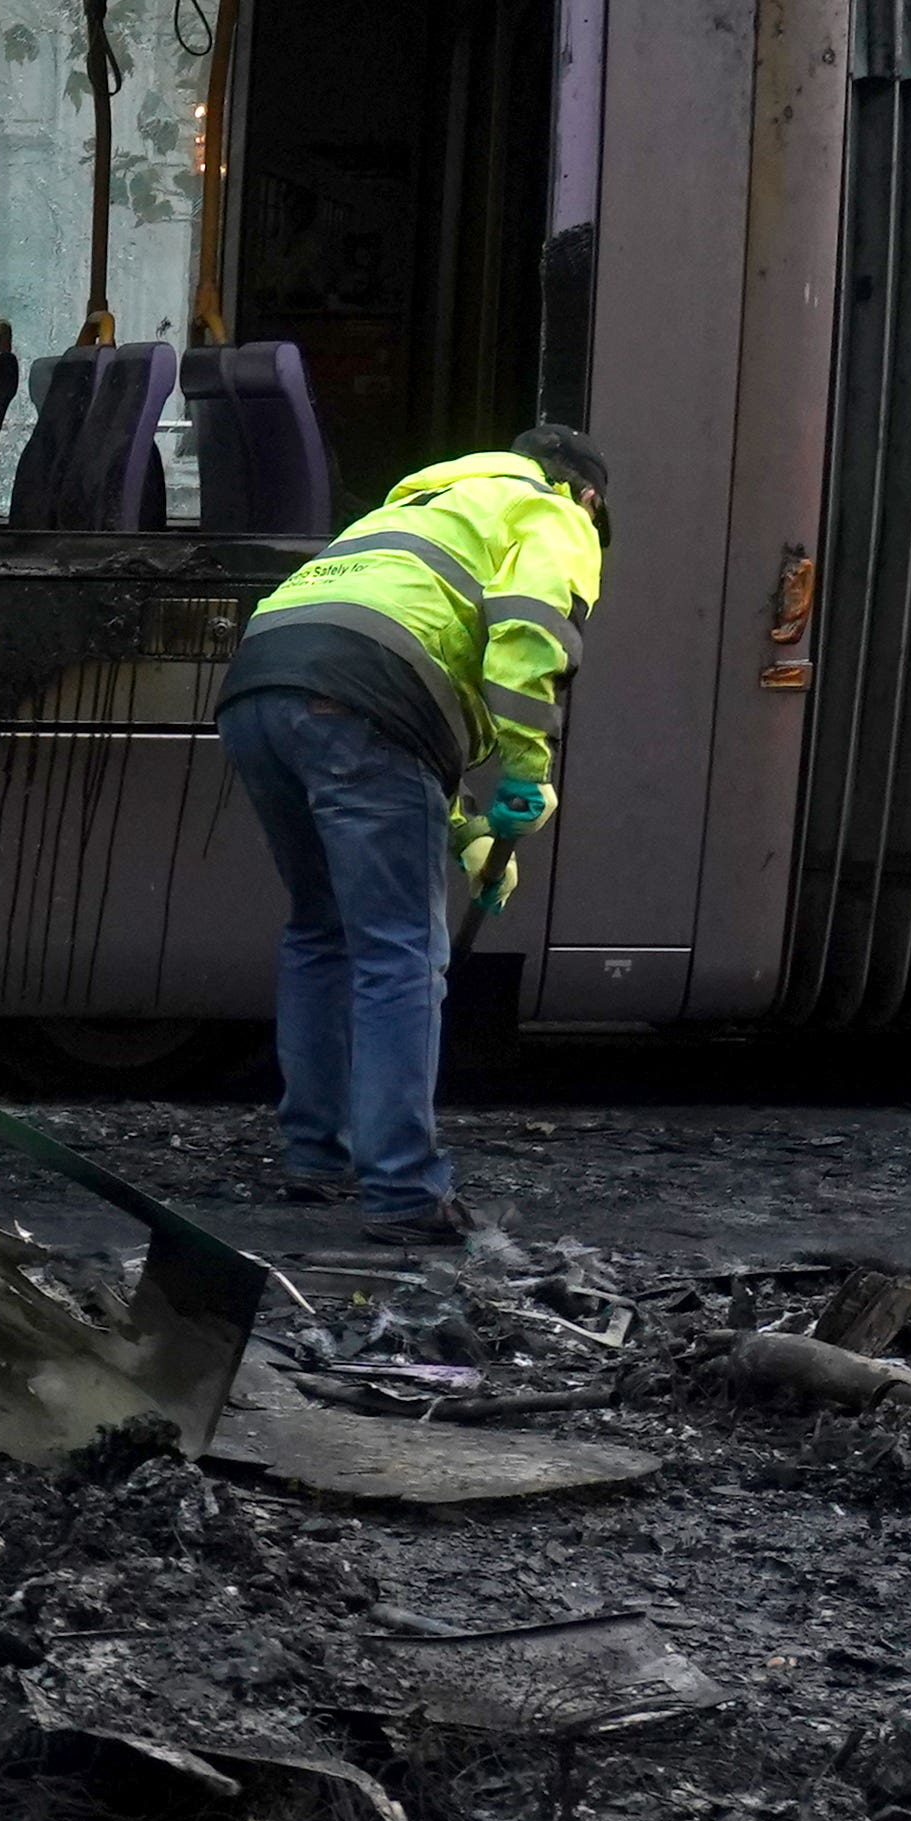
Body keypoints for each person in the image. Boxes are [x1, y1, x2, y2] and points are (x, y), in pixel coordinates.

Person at [210, 427, 609, 1244]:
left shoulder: (417, 507)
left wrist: (463, 829)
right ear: (590, 497)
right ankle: (403, 1192)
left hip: (259, 687)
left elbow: (403, 673)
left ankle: (317, 1156)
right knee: (398, 951)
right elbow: (529, 637)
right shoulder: (552, 509)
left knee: (322, 932)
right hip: (363, 701)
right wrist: (528, 772)